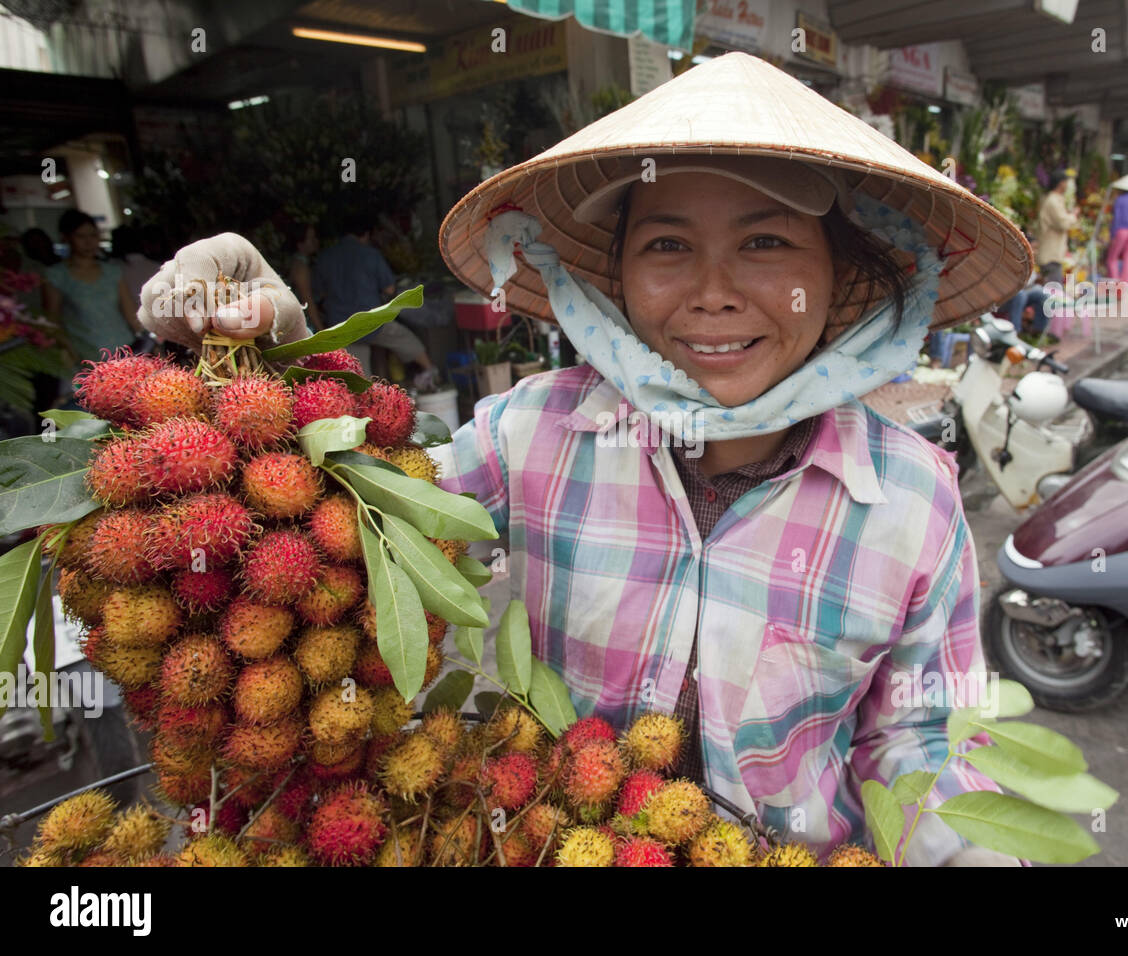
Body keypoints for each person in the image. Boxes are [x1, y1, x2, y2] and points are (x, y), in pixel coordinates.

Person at [137, 51, 1032, 866]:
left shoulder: (913, 499)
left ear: (841, 275)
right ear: (614, 280)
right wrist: (291, 355)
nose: (714, 294)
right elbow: (364, 526)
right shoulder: (529, 435)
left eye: (767, 242)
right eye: (667, 246)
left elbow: (919, 736)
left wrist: (967, 847)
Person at [313, 209, 435, 388]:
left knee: (360, 378)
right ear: (366, 234)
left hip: (341, 328)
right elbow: (390, 288)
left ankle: (367, 405)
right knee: (407, 339)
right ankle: (430, 373)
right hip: (372, 323)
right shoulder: (370, 254)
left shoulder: (325, 258)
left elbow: (319, 294)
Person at [41, 209, 140, 363]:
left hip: (124, 350)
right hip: (85, 356)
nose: (88, 242)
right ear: (66, 238)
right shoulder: (56, 275)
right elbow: (52, 321)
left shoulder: (112, 271)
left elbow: (131, 315)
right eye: (80, 236)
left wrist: (150, 342)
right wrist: (67, 350)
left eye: (93, 235)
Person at [282, 219, 323, 330]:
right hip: (302, 325)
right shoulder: (301, 267)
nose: (315, 241)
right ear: (300, 244)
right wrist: (322, 331)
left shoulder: (298, 262)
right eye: (311, 238)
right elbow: (308, 301)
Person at [1035, 170, 1077, 280]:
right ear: (1061, 183)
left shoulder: (1056, 200)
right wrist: (1073, 216)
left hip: (1054, 255)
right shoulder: (1052, 201)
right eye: (1066, 182)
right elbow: (1063, 223)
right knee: (1054, 293)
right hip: (1050, 256)